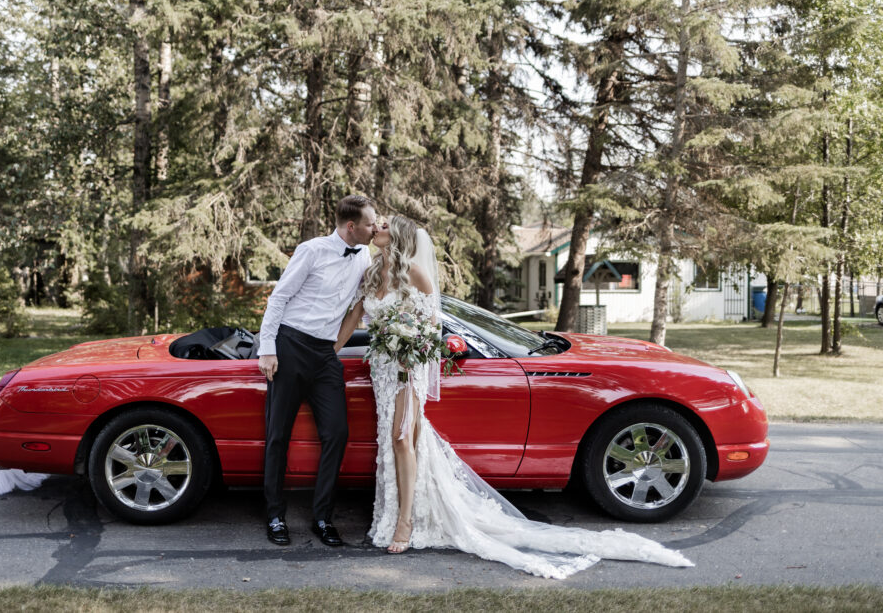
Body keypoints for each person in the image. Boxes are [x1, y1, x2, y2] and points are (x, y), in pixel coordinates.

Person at [336, 214, 693, 578]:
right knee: (394, 441)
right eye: (374, 224)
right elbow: (354, 317)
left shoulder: (414, 272)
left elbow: (433, 326)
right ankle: (397, 512)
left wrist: (410, 346)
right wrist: (327, 351)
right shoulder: (373, 272)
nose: (375, 228)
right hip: (380, 371)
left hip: (406, 370)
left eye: (381, 225)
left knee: (401, 439)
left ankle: (406, 522)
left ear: (396, 236)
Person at [257, 195, 376, 547]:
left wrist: (335, 348)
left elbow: (360, 306)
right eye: (370, 223)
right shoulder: (311, 250)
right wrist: (267, 348)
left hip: (325, 353)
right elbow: (278, 298)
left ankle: (323, 517)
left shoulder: (365, 255)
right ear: (351, 226)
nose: (375, 227)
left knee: (337, 433)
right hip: (290, 346)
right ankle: (275, 516)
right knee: (278, 434)